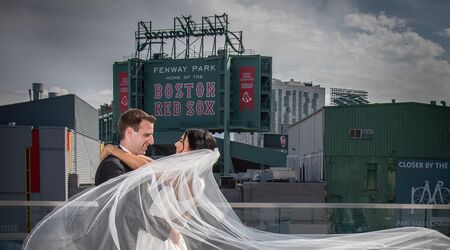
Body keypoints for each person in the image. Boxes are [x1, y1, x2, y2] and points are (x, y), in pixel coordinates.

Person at [95, 108, 156, 186]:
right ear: (129, 132)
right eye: (146, 135)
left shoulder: (139, 161)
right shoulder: (112, 166)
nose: (152, 141)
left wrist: (112, 149)